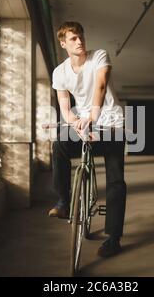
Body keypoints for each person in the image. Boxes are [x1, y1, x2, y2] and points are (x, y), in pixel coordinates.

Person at [49, 21, 127, 257]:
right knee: (60, 145)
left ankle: (113, 238)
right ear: (63, 43)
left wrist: (93, 114)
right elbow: (65, 105)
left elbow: (101, 85)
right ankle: (64, 202)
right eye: (73, 38)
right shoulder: (60, 72)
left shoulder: (99, 57)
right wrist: (75, 122)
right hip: (86, 125)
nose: (79, 41)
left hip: (111, 124)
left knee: (115, 180)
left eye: (81, 36)